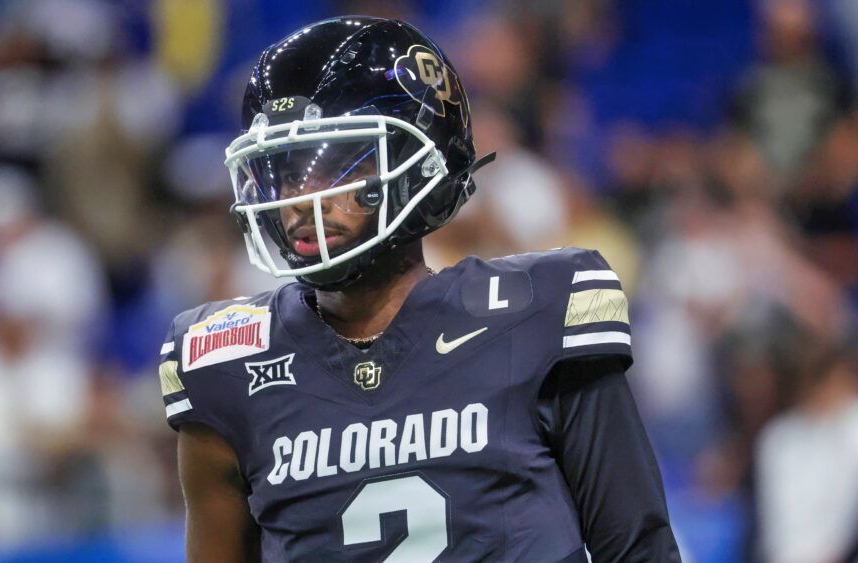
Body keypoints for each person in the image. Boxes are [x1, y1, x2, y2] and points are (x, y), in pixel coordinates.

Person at [158, 16, 681, 562]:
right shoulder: (225, 361)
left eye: (336, 166)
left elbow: (637, 551)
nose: (301, 199)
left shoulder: (538, 313)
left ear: (425, 165)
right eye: (287, 174)